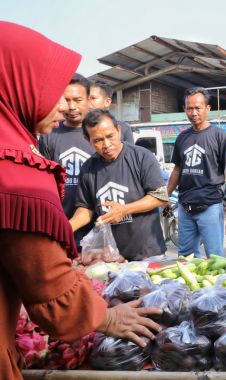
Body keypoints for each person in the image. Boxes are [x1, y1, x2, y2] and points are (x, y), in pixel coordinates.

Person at [0, 22, 162, 380]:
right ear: (19, 85)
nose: (66, 109)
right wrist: (106, 317)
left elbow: (160, 196)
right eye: (55, 94)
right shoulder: (12, 171)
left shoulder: (141, 157)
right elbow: (48, 285)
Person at [39, 74, 133, 250]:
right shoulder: (49, 134)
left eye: (78, 99)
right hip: (67, 223)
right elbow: (45, 182)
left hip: (108, 226)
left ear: (89, 99)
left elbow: (126, 173)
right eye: (66, 100)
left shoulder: (113, 130)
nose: (71, 106)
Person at [69, 109, 168, 261]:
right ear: (87, 139)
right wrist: (65, 229)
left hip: (147, 254)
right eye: (98, 140)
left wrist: (124, 210)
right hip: (111, 258)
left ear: (119, 131)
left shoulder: (141, 157)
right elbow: (86, 208)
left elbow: (160, 197)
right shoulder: (88, 168)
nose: (106, 144)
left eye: (110, 136)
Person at [167, 88, 226, 257]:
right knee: (185, 256)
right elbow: (177, 170)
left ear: (207, 109)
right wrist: (165, 196)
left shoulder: (219, 136)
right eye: (189, 108)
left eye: (198, 108)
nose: (193, 112)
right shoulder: (182, 138)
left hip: (210, 205)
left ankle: (217, 285)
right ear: (184, 109)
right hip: (185, 206)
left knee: (215, 257)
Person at [88, 79, 134, 144]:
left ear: (107, 102)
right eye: (86, 98)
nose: (87, 102)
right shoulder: (76, 128)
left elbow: (129, 153)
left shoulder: (123, 128)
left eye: (93, 98)